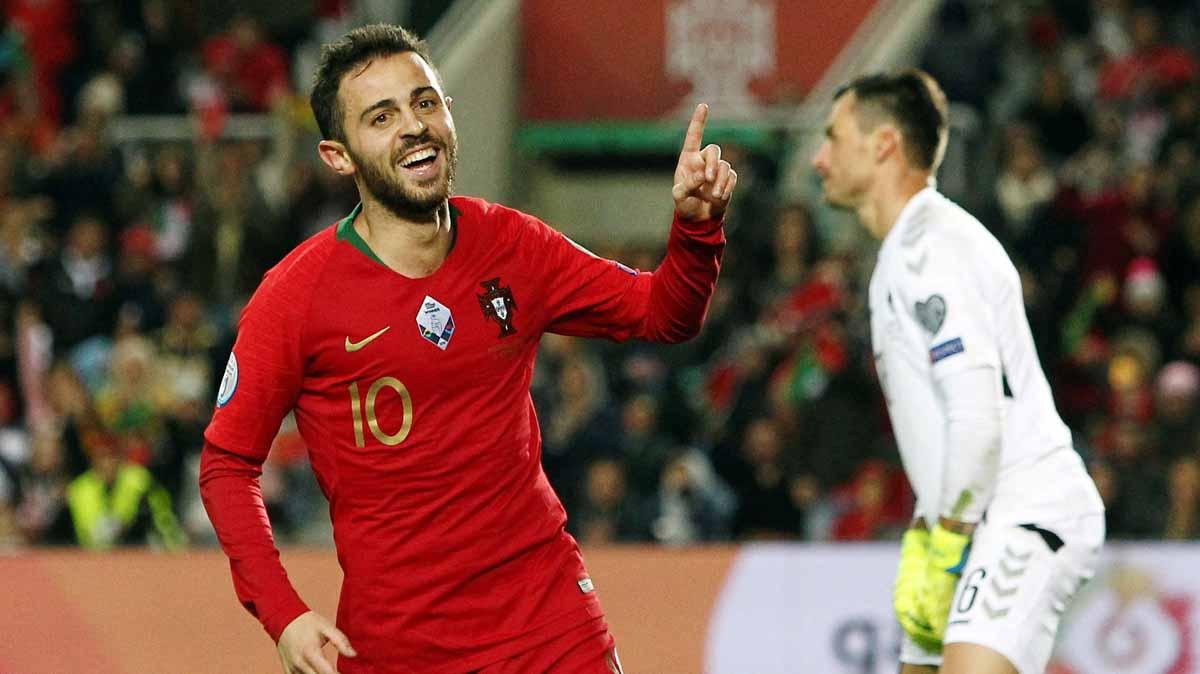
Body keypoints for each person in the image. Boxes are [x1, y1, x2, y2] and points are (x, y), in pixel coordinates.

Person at [199, 23, 735, 674]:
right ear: (339, 156)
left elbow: (662, 315)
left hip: (549, 625)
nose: (413, 126)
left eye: (425, 102)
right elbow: (228, 465)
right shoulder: (295, 297)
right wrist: (282, 613)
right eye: (381, 116)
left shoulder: (515, 244)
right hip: (399, 647)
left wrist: (697, 229)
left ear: (450, 113)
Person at [810, 70, 1104, 674]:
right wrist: (929, 534)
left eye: (833, 137)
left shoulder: (930, 251)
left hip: (1020, 512)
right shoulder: (904, 252)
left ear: (884, 144)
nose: (818, 157)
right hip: (966, 521)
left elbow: (977, 416)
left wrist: (942, 544)